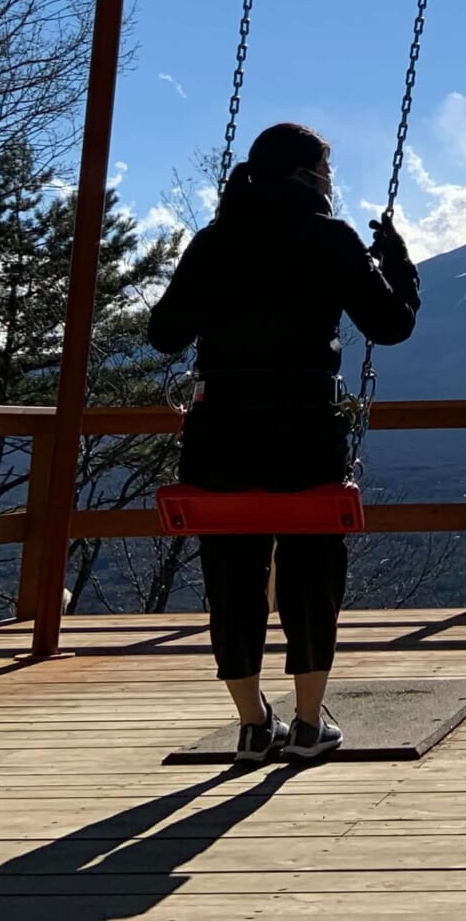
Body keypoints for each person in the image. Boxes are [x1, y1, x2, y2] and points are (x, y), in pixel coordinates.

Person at [148, 122, 419, 765]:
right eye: (327, 166)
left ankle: (250, 723)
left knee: (231, 573)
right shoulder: (330, 238)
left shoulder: (215, 241)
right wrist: (397, 264)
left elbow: (165, 335)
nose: (331, 177)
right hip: (304, 425)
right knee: (311, 568)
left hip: (222, 430)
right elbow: (390, 325)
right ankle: (305, 723)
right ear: (307, 174)